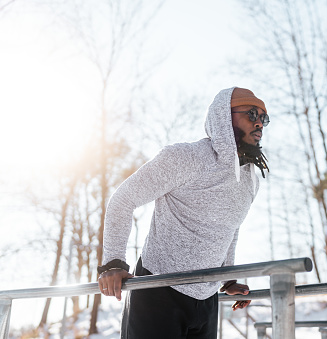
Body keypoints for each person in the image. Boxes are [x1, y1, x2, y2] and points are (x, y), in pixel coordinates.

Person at [97, 87, 270, 339]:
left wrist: (228, 278)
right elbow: (122, 200)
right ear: (223, 117)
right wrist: (113, 262)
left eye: (264, 118)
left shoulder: (249, 180)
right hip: (158, 291)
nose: (259, 123)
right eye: (251, 113)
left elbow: (230, 228)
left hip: (206, 298)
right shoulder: (185, 158)